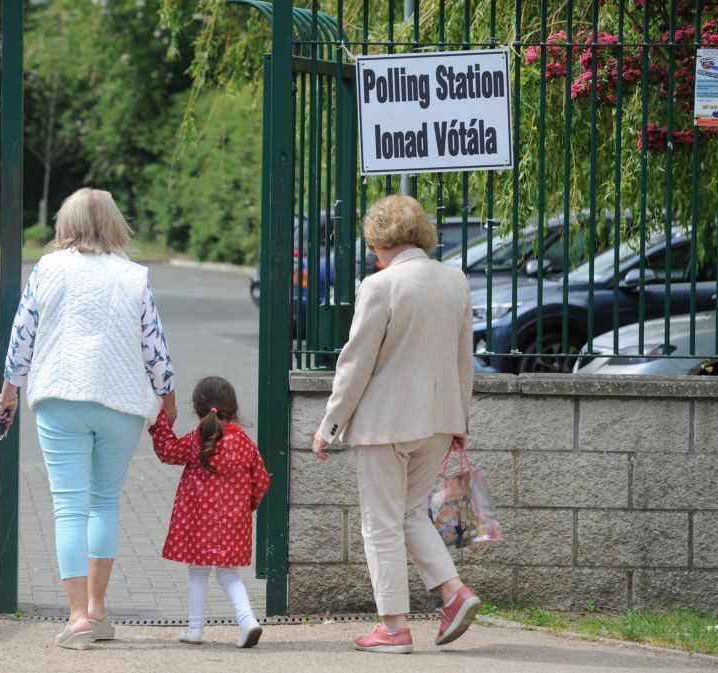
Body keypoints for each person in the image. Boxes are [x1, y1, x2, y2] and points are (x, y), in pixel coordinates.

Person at [0, 187, 176, 650]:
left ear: (65, 223)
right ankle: (97, 609)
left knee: (68, 507)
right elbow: (153, 345)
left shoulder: (47, 270)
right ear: (115, 223)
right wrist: (167, 397)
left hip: (59, 397)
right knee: (105, 504)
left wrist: (9, 392)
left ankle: (75, 617)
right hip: (120, 403)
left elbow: (23, 335)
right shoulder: (134, 276)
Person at [311, 194, 478, 654]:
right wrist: (461, 417)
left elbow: (355, 363)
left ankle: (393, 627)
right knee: (409, 514)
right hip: (440, 420)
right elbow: (464, 358)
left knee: (381, 523)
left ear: (380, 240)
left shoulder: (379, 285)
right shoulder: (455, 281)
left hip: (385, 424)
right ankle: (454, 593)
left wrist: (330, 425)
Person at [148, 376, 271, 648]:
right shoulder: (244, 443)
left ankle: (195, 628)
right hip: (233, 522)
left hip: (198, 522)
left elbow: (168, 452)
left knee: (198, 573)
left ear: (197, 408)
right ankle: (247, 620)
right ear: (233, 408)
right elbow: (261, 479)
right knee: (227, 573)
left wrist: (162, 422)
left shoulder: (198, 440)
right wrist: (248, 505)